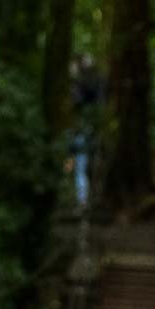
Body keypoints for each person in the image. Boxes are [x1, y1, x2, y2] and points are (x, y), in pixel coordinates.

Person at [66, 54, 103, 212]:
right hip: (90, 132)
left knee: (79, 167)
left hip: (80, 132)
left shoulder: (77, 87)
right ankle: (85, 200)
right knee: (85, 166)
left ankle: (81, 201)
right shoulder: (97, 85)